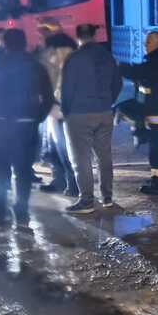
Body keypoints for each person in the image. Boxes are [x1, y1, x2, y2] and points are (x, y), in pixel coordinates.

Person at [0, 28, 53, 223]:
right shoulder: (35, 66)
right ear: (24, 42)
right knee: (23, 170)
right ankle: (21, 209)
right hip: (26, 125)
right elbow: (48, 97)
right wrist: (37, 117)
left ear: (4, 43)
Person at [60, 24, 121, 214]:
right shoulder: (107, 56)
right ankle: (107, 197)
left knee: (81, 159)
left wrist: (66, 110)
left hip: (79, 113)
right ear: (94, 36)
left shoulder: (74, 58)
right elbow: (117, 83)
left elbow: (67, 89)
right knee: (104, 155)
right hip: (104, 111)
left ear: (77, 36)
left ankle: (86, 200)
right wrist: (107, 101)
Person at [118, 31, 158, 196]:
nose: (145, 46)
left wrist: (119, 66)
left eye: (148, 43)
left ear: (156, 43)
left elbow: (138, 72)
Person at [36, 20, 79, 196]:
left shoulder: (52, 51)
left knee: (61, 147)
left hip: (56, 106)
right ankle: (65, 182)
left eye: (43, 30)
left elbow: (50, 80)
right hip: (67, 106)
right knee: (61, 147)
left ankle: (70, 184)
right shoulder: (73, 50)